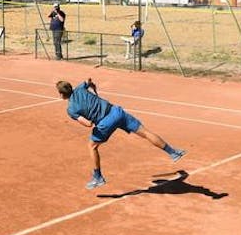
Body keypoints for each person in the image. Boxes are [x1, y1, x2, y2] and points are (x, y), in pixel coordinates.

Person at [58, 77, 186, 189]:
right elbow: (89, 81)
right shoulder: (80, 88)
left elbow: (88, 124)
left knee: (92, 146)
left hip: (104, 123)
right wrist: (94, 90)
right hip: (116, 112)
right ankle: (173, 153)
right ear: (71, 87)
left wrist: (91, 114)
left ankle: (98, 177)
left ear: (61, 94)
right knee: (146, 133)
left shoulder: (71, 109)